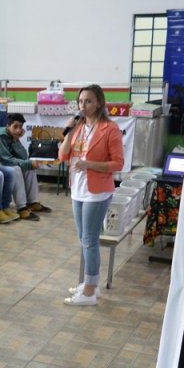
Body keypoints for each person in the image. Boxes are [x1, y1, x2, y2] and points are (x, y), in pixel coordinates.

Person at [59, 84, 123, 306]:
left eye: (88, 101)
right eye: (80, 101)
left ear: (99, 103)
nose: (83, 105)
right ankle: (89, 283)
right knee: (83, 239)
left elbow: (118, 163)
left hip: (97, 191)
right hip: (78, 189)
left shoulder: (110, 128)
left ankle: (89, 291)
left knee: (89, 240)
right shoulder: (78, 127)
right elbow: (63, 155)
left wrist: (89, 164)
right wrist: (68, 131)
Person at [0, 112, 51, 218]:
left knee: (29, 167)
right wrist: (28, 163)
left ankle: (32, 202)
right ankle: (21, 207)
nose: (18, 130)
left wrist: (16, 140)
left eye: (20, 127)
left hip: (7, 162)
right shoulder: (0, 136)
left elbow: (24, 156)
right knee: (17, 169)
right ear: (7, 126)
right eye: (15, 127)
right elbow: (6, 160)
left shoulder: (13, 136)